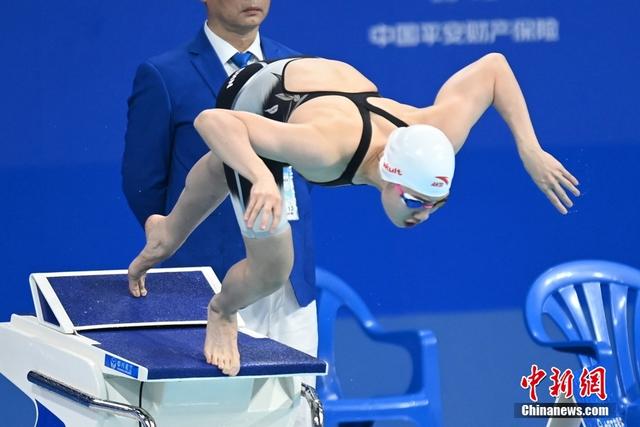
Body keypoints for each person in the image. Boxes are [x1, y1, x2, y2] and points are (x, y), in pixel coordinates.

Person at [128, 53, 580, 377]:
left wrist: (530, 148)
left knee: (223, 174)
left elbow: (494, 68)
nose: (424, 214)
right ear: (389, 172)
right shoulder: (327, 149)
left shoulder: (436, 132)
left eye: (435, 204)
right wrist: (261, 178)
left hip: (318, 88)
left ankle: (166, 231)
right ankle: (222, 311)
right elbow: (214, 121)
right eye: (417, 200)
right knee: (272, 262)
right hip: (254, 95)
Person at [121, 0, 318, 400]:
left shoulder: (300, 69)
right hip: (207, 281)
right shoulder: (165, 75)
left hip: (289, 283)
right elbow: (143, 183)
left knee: (294, 409)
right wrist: (185, 238)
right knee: (211, 410)